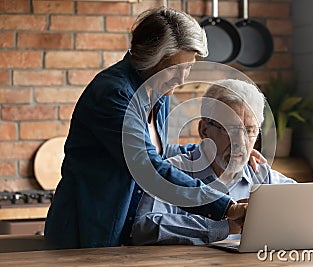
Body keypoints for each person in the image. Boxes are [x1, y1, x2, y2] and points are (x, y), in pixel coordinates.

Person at [44, 7, 265, 249]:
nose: (182, 79)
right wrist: (225, 207)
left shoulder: (158, 92)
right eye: (175, 69)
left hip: (119, 233)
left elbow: (159, 151)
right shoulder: (113, 93)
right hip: (87, 229)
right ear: (150, 59)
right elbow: (147, 165)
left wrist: (223, 147)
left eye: (188, 68)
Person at [130, 79, 296, 246]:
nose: (241, 141)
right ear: (204, 130)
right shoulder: (175, 172)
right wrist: (222, 227)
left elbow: (305, 202)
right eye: (230, 129)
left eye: (250, 131)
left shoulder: (259, 173)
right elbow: (143, 228)